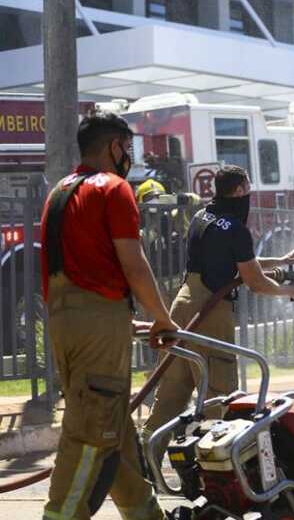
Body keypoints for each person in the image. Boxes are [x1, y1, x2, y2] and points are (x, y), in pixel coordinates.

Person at [40, 113, 177, 520]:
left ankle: (145, 514)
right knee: (91, 431)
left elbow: (76, 269)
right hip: (98, 322)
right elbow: (134, 266)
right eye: (127, 147)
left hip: (66, 320)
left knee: (113, 427)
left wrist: (119, 318)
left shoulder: (60, 192)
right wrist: (163, 319)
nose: (129, 157)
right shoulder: (114, 189)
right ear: (113, 146)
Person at [141, 164, 294, 458]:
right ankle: (215, 466)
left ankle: (141, 461)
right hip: (211, 312)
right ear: (240, 189)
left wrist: (279, 260)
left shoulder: (202, 217)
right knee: (219, 394)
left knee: (171, 395)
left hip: (182, 307)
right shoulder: (237, 229)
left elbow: (241, 265)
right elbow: (253, 281)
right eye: (249, 187)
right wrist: (288, 291)